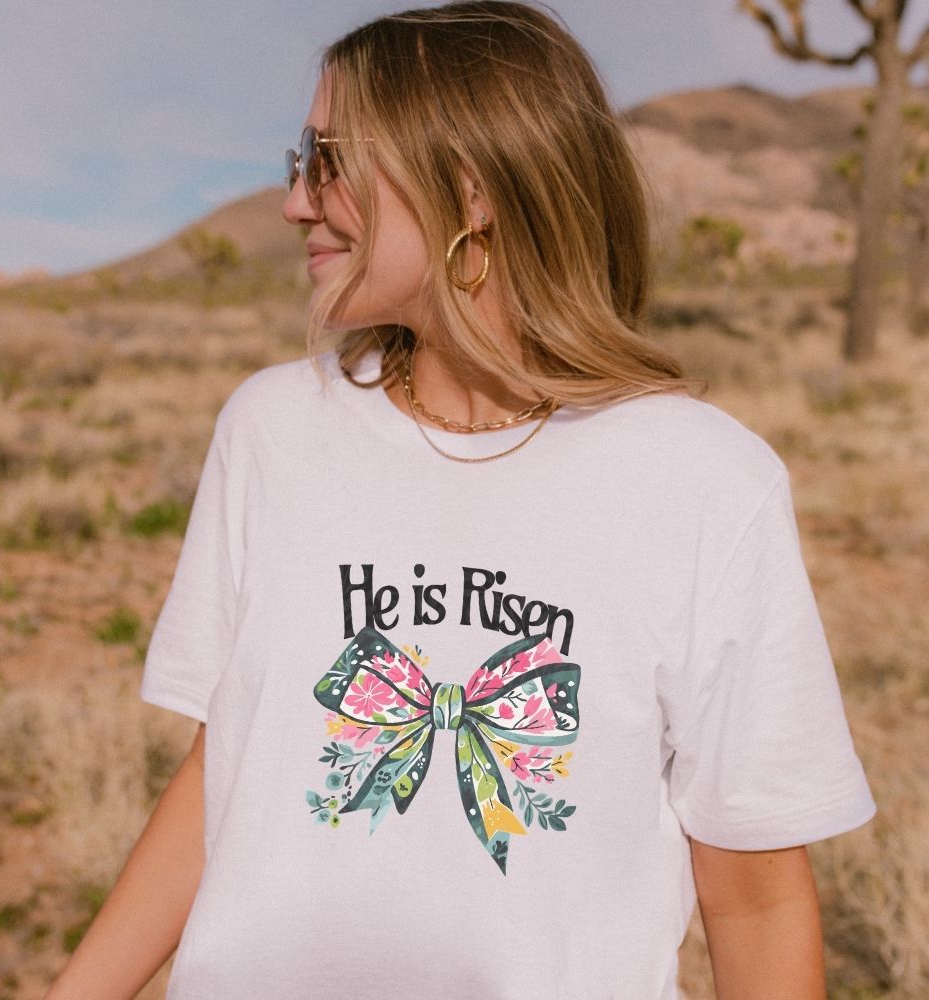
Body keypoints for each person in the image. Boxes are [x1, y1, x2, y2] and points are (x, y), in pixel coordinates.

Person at [46, 3, 876, 998]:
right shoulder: (272, 428)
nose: (295, 202)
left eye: (331, 158)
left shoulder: (703, 482)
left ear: (472, 188)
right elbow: (226, 766)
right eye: (297, 159)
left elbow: (756, 894)